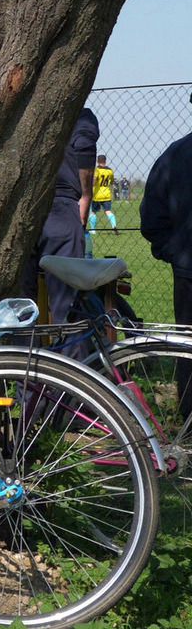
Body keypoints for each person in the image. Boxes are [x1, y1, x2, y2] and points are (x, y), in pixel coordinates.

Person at [21, 107, 99, 326]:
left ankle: (24, 357)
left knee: (22, 308)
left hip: (21, 209)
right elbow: (84, 145)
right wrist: (85, 195)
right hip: (61, 207)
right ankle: (69, 355)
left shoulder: (23, 112)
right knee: (67, 307)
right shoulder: (77, 115)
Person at [140, 130, 192, 421]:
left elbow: (152, 219)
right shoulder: (176, 154)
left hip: (187, 270)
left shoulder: (175, 154)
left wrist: (175, 252)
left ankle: (188, 424)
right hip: (187, 266)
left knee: (188, 351)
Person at [90, 154, 119, 235]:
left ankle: (93, 230)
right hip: (107, 195)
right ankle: (114, 226)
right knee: (108, 211)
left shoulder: (97, 170)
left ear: (97, 161)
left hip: (97, 195)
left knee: (93, 212)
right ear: (105, 161)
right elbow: (112, 181)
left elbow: (94, 181)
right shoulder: (110, 171)